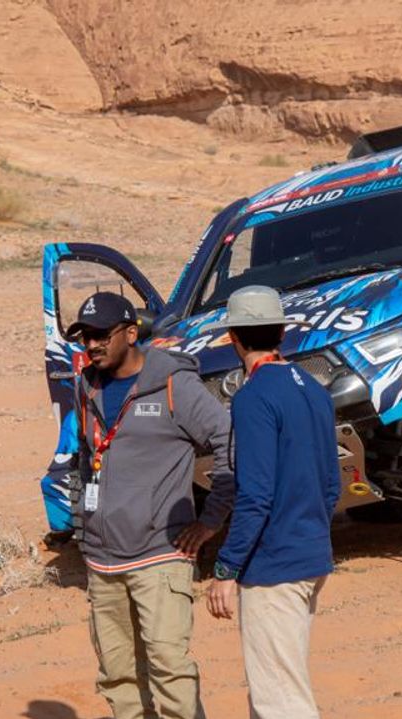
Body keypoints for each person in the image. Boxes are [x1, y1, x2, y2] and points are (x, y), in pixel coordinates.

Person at [68, 291, 235, 719]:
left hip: (161, 557)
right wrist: (82, 526)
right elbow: (85, 458)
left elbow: (229, 441)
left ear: (130, 333)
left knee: (170, 673)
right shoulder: (86, 386)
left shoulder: (175, 385)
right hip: (103, 563)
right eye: (85, 336)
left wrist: (211, 520)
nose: (91, 345)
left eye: (101, 335)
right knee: (117, 677)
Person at [204, 286, 340, 719]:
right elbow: (331, 483)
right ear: (282, 331)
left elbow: (255, 495)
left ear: (234, 339)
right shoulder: (314, 389)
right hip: (311, 553)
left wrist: (226, 568)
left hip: (274, 565)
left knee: (281, 700)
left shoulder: (253, 397)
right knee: (277, 688)